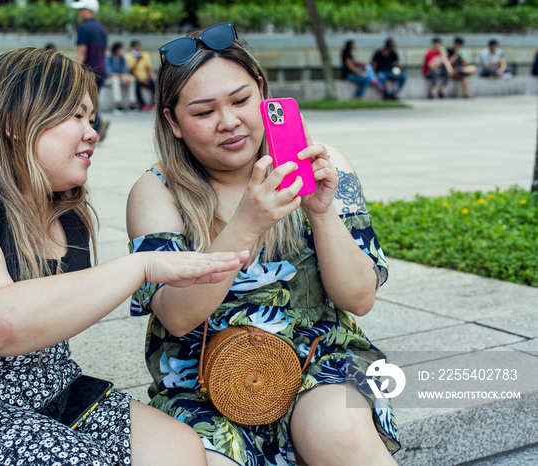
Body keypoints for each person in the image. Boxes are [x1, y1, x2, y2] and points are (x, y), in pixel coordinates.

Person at [0, 47, 250, 465]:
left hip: (40, 383)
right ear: (16, 121)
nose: (92, 131)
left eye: (92, 118)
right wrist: (139, 265)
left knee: (179, 451)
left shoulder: (63, 212)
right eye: (76, 116)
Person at [126, 22, 400, 466]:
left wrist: (320, 211)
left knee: (341, 430)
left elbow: (359, 297)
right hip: (205, 383)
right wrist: (246, 224)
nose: (229, 122)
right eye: (202, 112)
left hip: (319, 364)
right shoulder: (156, 191)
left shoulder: (329, 163)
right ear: (172, 121)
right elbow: (177, 316)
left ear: (263, 92)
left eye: (240, 100)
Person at [71, 0, 110, 142]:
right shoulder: (101, 29)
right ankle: (98, 123)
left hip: (88, 72)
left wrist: (76, 70)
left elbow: (81, 50)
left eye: (82, 9)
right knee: (93, 101)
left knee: (85, 103)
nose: (79, 13)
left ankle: (97, 124)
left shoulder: (84, 28)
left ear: (89, 10)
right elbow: (105, 52)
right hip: (101, 71)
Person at [106, 41, 139, 114]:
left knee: (132, 79)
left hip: (121, 77)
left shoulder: (122, 59)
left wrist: (126, 77)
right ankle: (118, 106)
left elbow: (126, 71)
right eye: (122, 49)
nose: (123, 50)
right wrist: (122, 76)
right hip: (110, 79)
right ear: (116, 50)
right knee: (115, 80)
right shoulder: (109, 58)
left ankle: (131, 104)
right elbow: (110, 73)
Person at [126, 40, 157, 112]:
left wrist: (153, 78)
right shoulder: (128, 56)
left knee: (154, 85)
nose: (137, 48)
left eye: (138, 46)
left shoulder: (145, 55)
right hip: (136, 78)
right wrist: (137, 61)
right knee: (136, 87)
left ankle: (153, 103)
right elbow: (129, 71)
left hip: (145, 78)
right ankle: (143, 105)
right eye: (135, 47)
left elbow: (149, 68)